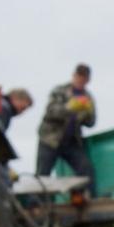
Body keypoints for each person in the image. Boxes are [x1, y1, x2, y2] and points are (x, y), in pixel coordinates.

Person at [35, 64, 97, 194]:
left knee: (86, 169)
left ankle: (86, 199)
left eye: (84, 78)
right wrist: (69, 108)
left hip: (71, 142)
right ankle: (35, 205)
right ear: (74, 76)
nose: (81, 80)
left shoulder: (88, 97)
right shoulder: (59, 91)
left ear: (88, 80)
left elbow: (91, 123)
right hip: (50, 140)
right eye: (79, 77)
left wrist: (88, 112)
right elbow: (50, 112)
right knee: (42, 175)